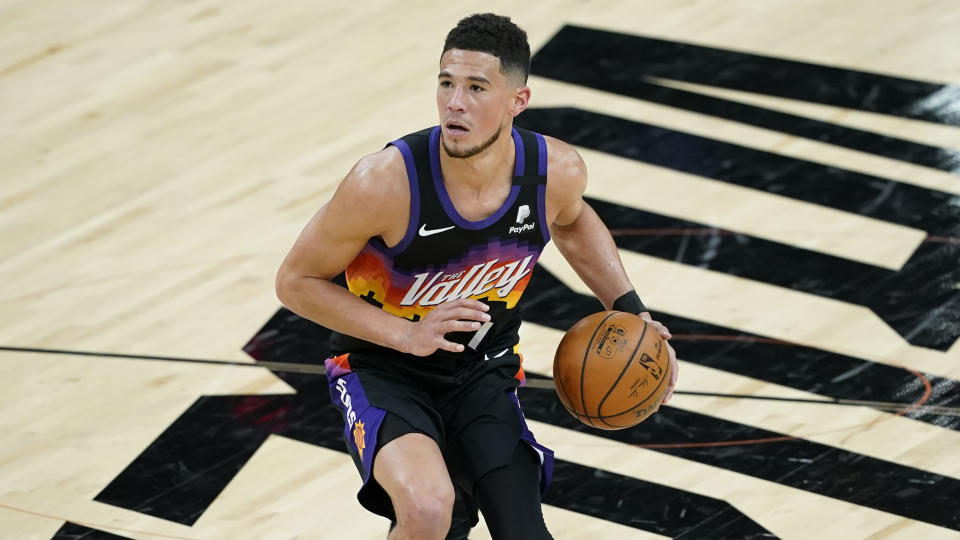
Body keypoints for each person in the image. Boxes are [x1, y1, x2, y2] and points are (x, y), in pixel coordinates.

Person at [275, 13, 678, 540]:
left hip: (483, 372)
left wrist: (630, 309)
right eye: (446, 83)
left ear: (517, 101)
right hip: (383, 370)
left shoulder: (554, 171)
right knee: (428, 508)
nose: (454, 102)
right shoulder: (385, 183)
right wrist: (407, 334)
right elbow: (296, 281)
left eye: (476, 87)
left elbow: (574, 221)